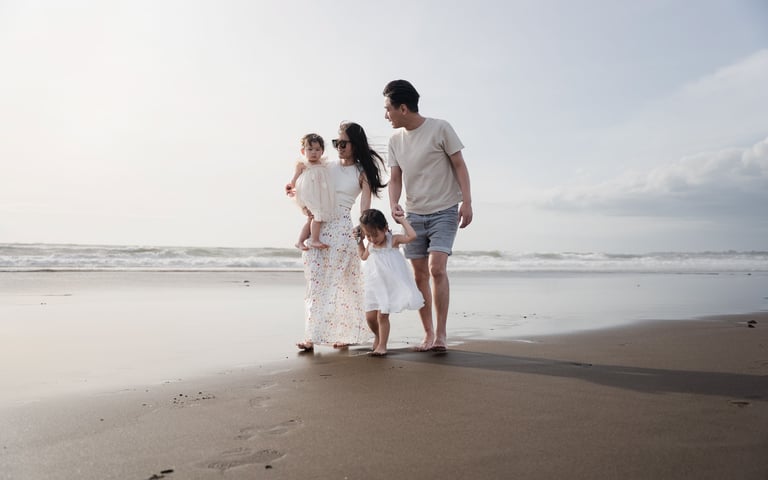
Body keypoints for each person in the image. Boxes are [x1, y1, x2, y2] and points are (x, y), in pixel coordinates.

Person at [382, 79, 473, 352]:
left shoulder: (440, 128)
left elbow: (460, 165)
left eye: (388, 109)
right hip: (414, 214)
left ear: (403, 108)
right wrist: (394, 203)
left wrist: (466, 203)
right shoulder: (395, 140)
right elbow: (395, 177)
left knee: (436, 269)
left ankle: (442, 334)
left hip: (444, 209)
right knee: (419, 274)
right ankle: (428, 333)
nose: (385, 115)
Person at [291, 122, 387, 351]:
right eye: (336, 143)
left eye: (343, 143)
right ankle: (311, 337)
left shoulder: (362, 173)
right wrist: (299, 201)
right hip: (320, 226)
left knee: (341, 284)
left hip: (343, 231)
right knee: (315, 283)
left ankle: (344, 333)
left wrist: (364, 232)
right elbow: (305, 187)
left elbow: (364, 207)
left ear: (355, 144)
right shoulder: (326, 166)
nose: (339, 147)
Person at [356, 209, 424, 357]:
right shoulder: (370, 245)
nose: (372, 239)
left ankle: (382, 346)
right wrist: (360, 241)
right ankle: (378, 336)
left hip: (389, 285)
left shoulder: (393, 240)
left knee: (382, 316)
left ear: (385, 228)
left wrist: (402, 220)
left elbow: (412, 236)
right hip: (374, 285)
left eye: (375, 235)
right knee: (370, 318)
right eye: (368, 235)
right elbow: (363, 257)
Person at [288, 133, 335, 250]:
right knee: (316, 216)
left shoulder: (323, 164)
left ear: (322, 152)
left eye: (317, 149)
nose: (314, 152)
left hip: (319, 196)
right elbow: (294, 180)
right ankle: (314, 240)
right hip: (308, 195)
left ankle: (299, 241)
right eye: (310, 149)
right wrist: (290, 187)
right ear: (303, 151)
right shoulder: (303, 164)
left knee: (312, 218)